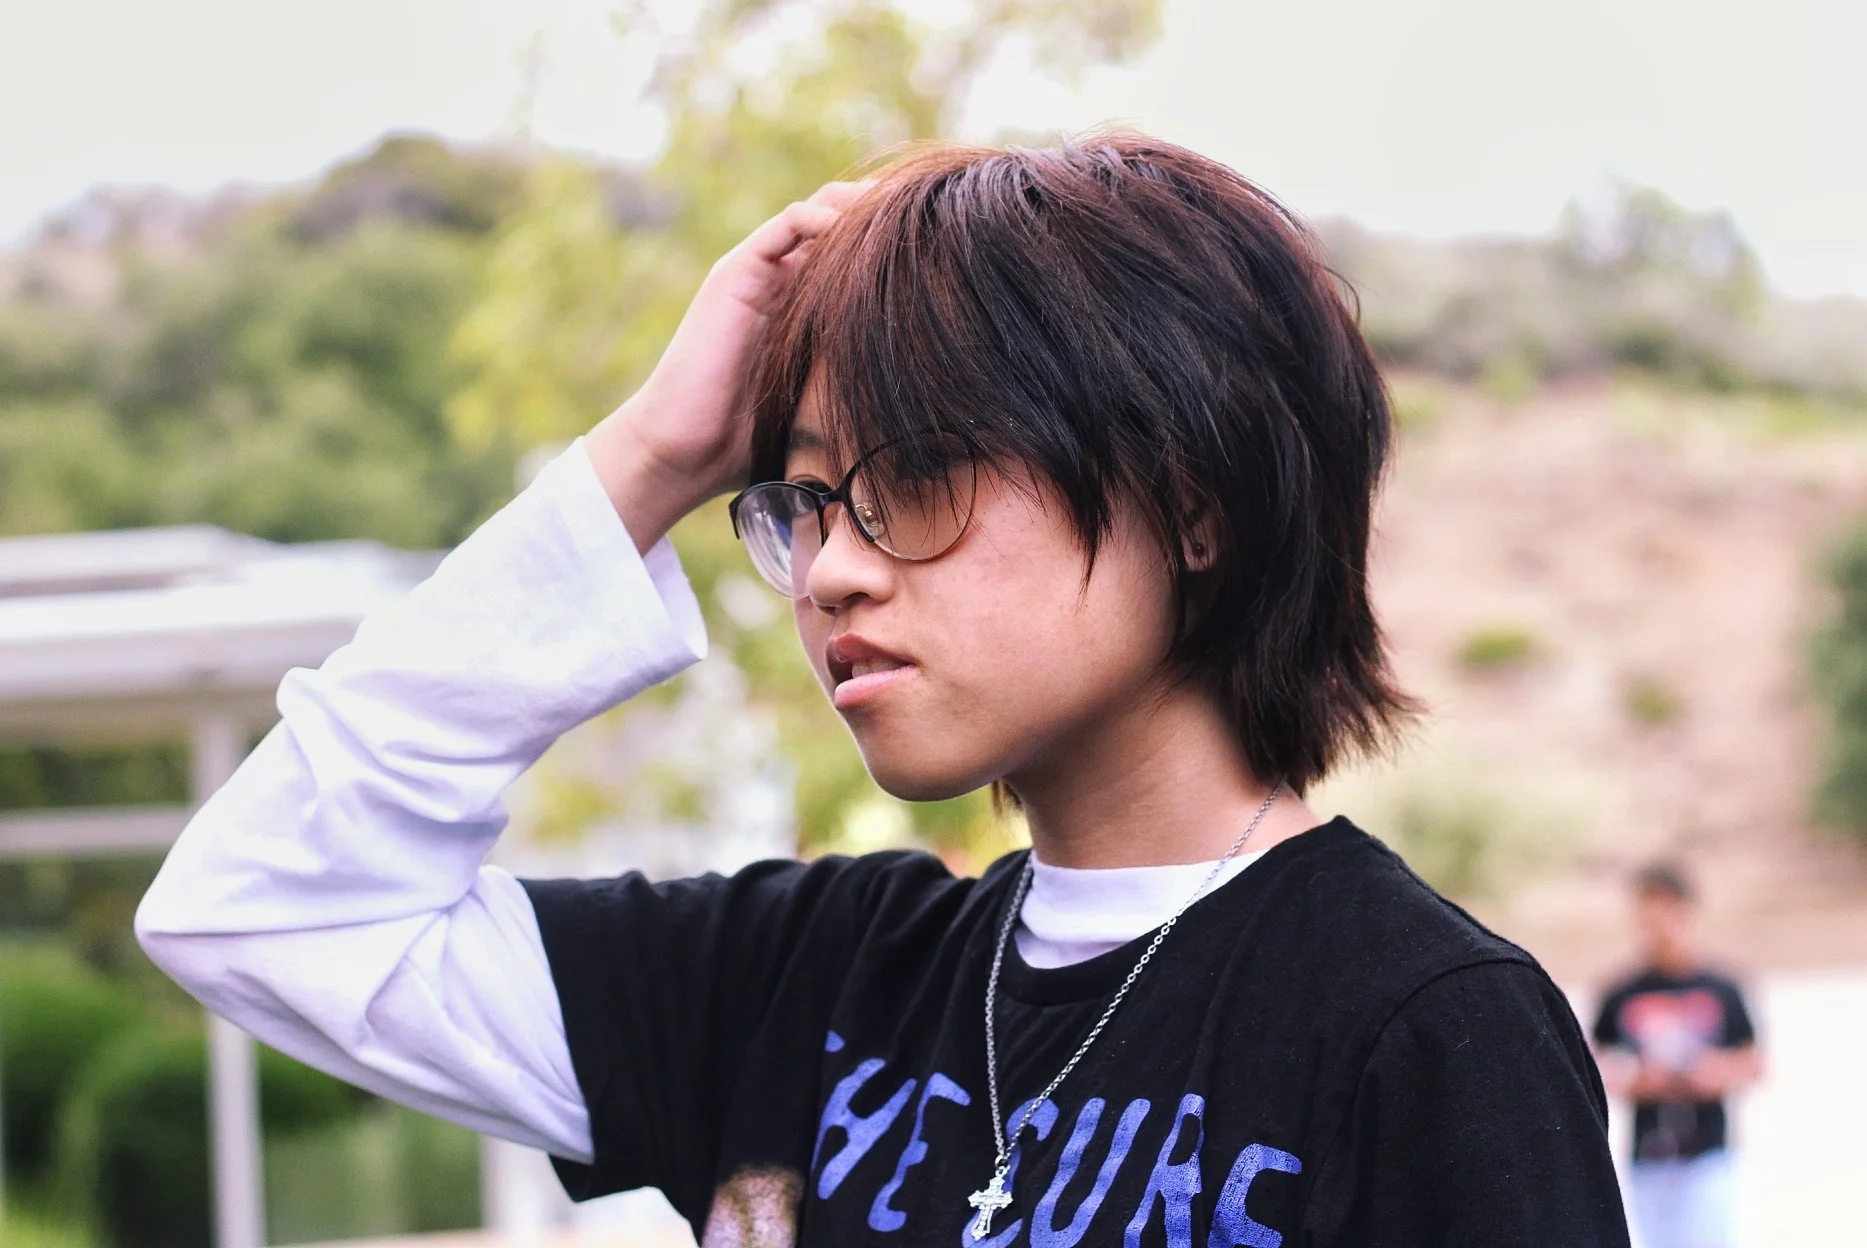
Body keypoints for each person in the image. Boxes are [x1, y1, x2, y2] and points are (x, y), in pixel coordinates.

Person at [136, 133, 1629, 1246]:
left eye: (911, 477)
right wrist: (649, 458)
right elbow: (257, 907)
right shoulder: (806, 978)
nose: (832, 572)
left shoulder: (1424, 1030)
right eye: (798, 502)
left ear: (1191, 502)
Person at [1593, 862, 1762, 1248]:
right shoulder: (1622, 992)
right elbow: (1593, 1067)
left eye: (1668, 911)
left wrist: (1714, 1074)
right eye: (1648, 914)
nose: (1659, 925)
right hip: (1649, 1156)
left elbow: (1754, 1061)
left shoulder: (1721, 986)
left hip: (1708, 1154)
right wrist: (1639, 1079)